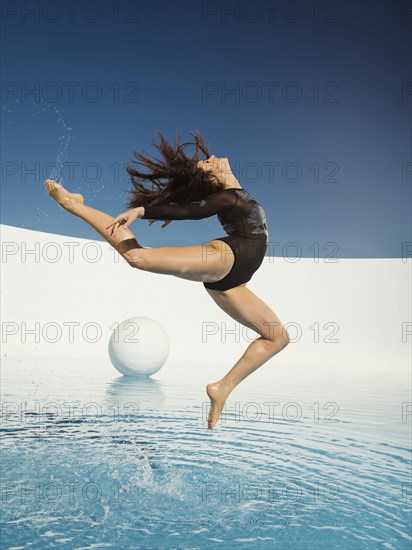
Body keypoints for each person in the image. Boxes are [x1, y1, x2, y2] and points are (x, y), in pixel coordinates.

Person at [44, 130, 290, 430]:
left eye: (209, 160)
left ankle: (222, 388)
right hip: (227, 257)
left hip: (234, 281)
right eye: (209, 163)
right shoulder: (229, 197)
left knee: (277, 338)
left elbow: (195, 202)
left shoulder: (239, 194)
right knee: (138, 258)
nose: (213, 158)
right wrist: (144, 209)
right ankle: (74, 205)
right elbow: (193, 210)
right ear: (214, 178)